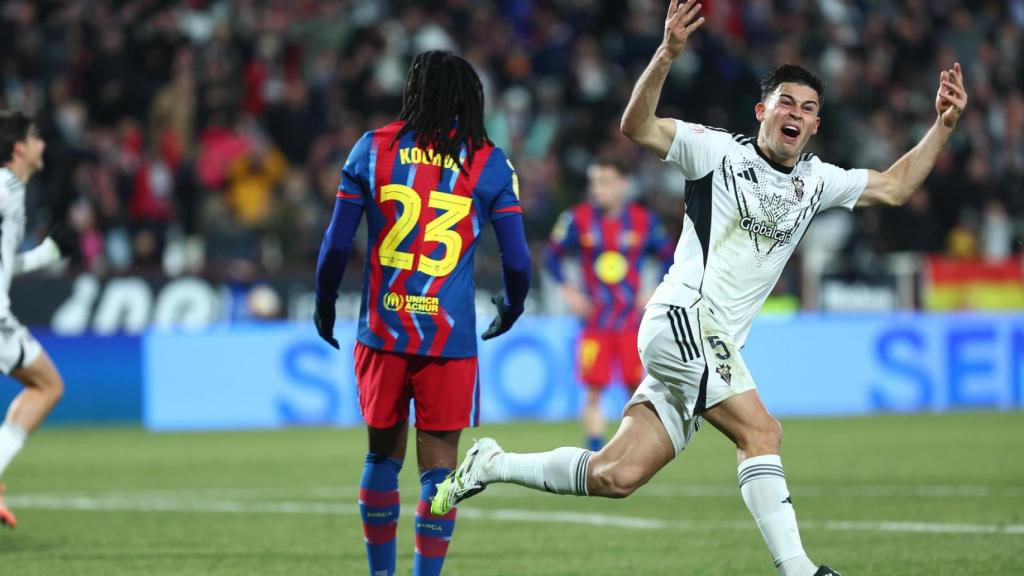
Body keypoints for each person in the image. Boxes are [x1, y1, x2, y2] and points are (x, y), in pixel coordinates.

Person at [431, 2, 969, 576]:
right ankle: (800, 571)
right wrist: (666, 54)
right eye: (786, 102)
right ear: (762, 111)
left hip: (713, 343)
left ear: (816, 126)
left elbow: (894, 187)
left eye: (809, 108)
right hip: (682, 320)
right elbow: (637, 126)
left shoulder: (817, 181)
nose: (796, 113)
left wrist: (942, 124)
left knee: (616, 474)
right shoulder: (717, 152)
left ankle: (492, 463)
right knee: (761, 431)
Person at [314, 50, 531, 576]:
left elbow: (336, 244)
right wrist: (512, 305)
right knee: (439, 475)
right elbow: (518, 259)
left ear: (414, 91)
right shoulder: (489, 161)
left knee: (380, 460)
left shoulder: (373, 148)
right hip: (448, 339)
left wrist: (324, 302)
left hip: (382, 331)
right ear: (470, 99)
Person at [544, 157, 672, 451]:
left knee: (637, 392)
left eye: (605, 182)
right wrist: (569, 292)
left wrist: (654, 290)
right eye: (594, 182)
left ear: (624, 185)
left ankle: (636, 451)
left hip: (632, 323)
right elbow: (551, 257)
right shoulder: (577, 219)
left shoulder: (643, 221)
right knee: (593, 392)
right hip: (595, 321)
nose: (598, 189)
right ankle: (595, 453)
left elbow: (670, 257)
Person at [0, 110, 77, 528]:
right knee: (48, 385)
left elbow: (3, 264)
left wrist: (46, 255)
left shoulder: (13, 192)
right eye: (35, 138)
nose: (42, 144)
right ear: (19, 148)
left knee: (46, 385)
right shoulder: (3, 187)